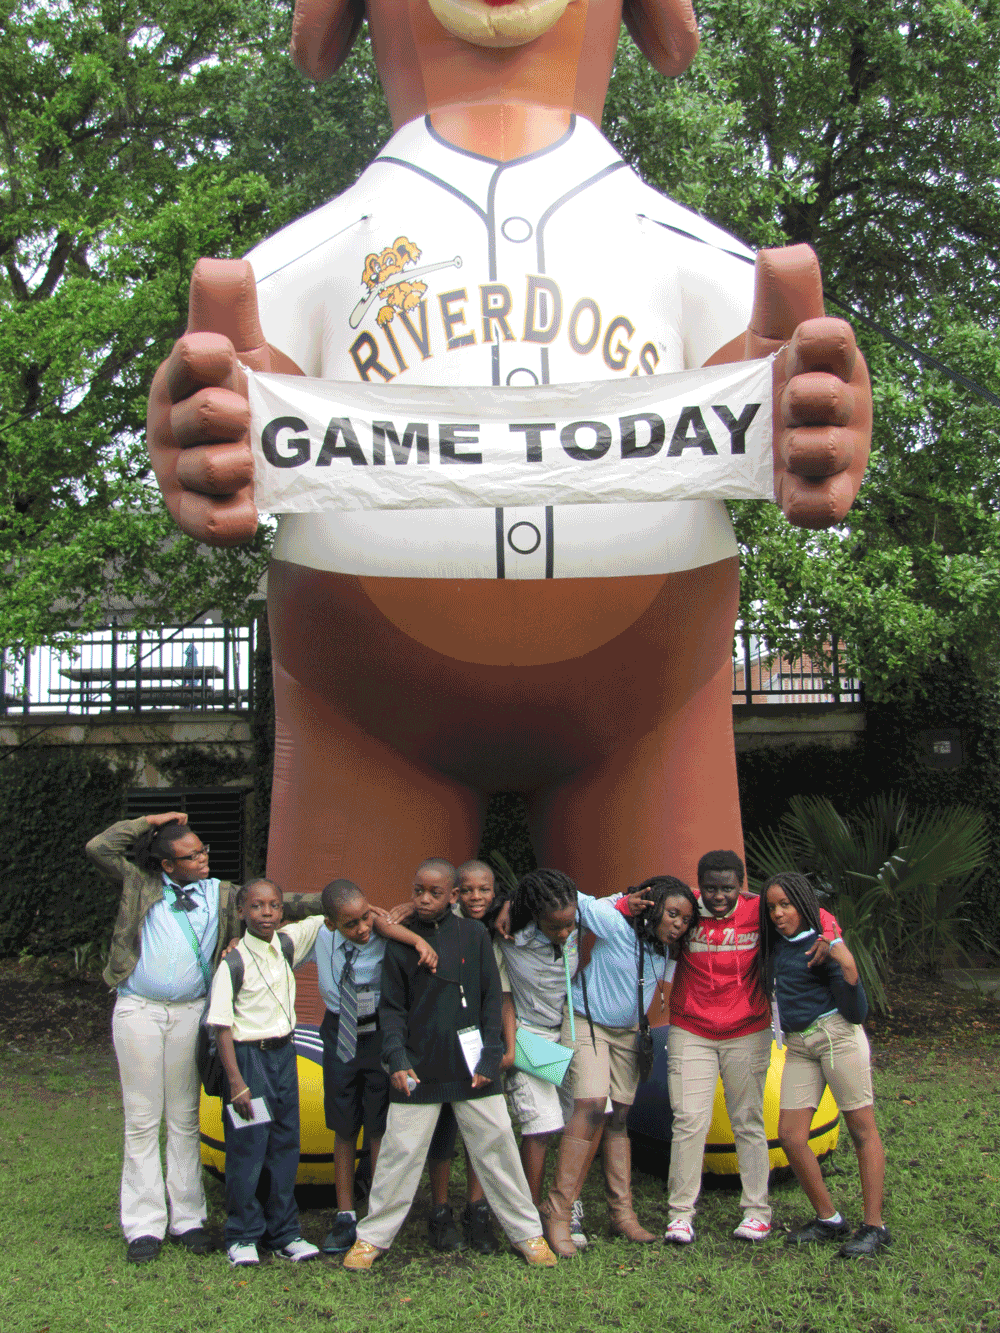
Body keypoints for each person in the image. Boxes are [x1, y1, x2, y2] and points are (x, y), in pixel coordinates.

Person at [342, 858, 556, 1269]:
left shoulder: (475, 934)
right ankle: (371, 1238)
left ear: (452, 896)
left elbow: (492, 1000)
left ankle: (528, 1234)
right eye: (417, 890)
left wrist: (492, 1056)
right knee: (398, 1155)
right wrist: (397, 1059)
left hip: (474, 1067)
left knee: (499, 1149)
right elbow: (391, 1009)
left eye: (434, 892)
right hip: (417, 1068)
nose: (423, 899)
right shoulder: (401, 943)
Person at [644, 850, 834, 1246]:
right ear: (699, 887)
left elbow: (811, 913)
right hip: (691, 1029)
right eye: (710, 888)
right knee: (688, 1122)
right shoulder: (685, 909)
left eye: (727, 889)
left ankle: (756, 1211)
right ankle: (680, 1215)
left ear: (741, 886)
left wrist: (831, 936)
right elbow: (634, 903)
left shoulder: (757, 910)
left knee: (747, 1120)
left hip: (747, 1029)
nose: (718, 897)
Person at [88, 812, 240, 1264]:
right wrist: (149, 821)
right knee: (141, 1119)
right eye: (191, 856)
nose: (202, 858)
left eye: (203, 850)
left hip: (191, 1012)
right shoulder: (141, 884)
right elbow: (98, 848)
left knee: (184, 1118)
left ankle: (188, 1220)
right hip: (138, 1010)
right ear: (168, 866)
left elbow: (281, 903)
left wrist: (343, 906)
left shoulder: (222, 893)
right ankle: (143, 1226)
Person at [542, 874, 696, 1257]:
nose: (679, 924)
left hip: (629, 1034)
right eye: (672, 914)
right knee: (592, 1105)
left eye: (686, 919)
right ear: (653, 908)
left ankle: (621, 1214)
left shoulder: (665, 954)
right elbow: (568, 895)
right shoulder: (616, 924)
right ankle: (558, 1212)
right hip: (586, 1022)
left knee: (619, 1117)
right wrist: (618, 902)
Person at [759, 872, 890, 1258]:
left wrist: (847, 966)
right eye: (772, 907)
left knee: (862, 1128)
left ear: (804, 904)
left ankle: (874, 1226)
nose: (778, 913)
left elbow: (856, 1013)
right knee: (792, 1135)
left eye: (786, 905)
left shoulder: (824, 944)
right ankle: (829, 1218)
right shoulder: (777, 944)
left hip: (837, 1037)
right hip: (798, 1046)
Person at [312, 877, 438, 1255]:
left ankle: (377, 1216)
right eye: (352, 924)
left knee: (379, 1124)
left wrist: (415, 936)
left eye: (367, 917)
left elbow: (402, 920)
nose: (363, 928)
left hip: (378, 1034)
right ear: (332, 923)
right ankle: (346, 1214)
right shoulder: (317, 935)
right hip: (340, 1033)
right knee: (344, 1125)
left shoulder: (384, 933)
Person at [208, 878, 323, 1266]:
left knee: (286, 1144)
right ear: (242, 912)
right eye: (257, 907)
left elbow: (334, 913)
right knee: (248, 1147)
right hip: (248, 1062)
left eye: (273, 905)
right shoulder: (233, 962)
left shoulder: (288, 945)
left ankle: (285, 1232)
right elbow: (221, 1026)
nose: (266, 914)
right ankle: (242, 1234)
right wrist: (236, 1083)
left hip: (284, 1055)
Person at [421, 860, 514, 1254]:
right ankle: (439, 1210)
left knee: (482, 1132)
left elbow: (502, 996)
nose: (477, 897)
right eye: (468, 890)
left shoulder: (502, 927)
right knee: (442, 1129)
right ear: (455, 893)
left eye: (485, 890)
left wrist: (505, 1049)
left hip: (484, 1039)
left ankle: (477, 1209)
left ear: (496, 893)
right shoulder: (443, 921)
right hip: (444, 1039)